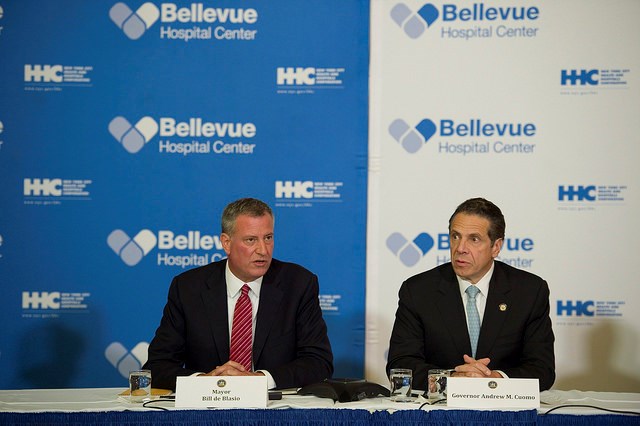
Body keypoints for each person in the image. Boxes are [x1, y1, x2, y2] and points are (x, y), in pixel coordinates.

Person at [144, 197, 333, 390]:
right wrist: (205, 381)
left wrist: (258, 379)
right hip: (207, 408)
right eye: (251, 240)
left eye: (268, 238)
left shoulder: (298, 284)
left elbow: (318, 362)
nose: (263, 250)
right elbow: (157, 366)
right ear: (226, 243)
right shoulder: (188, 288)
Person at [386, 197, 555, 391]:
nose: (460, 249)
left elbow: (542, 369)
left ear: (496, 247)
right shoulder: (418, 290)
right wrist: (451, 379)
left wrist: (493, 379)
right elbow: (400, 365)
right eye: (455, 236)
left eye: (474, 239)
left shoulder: (529, 291)